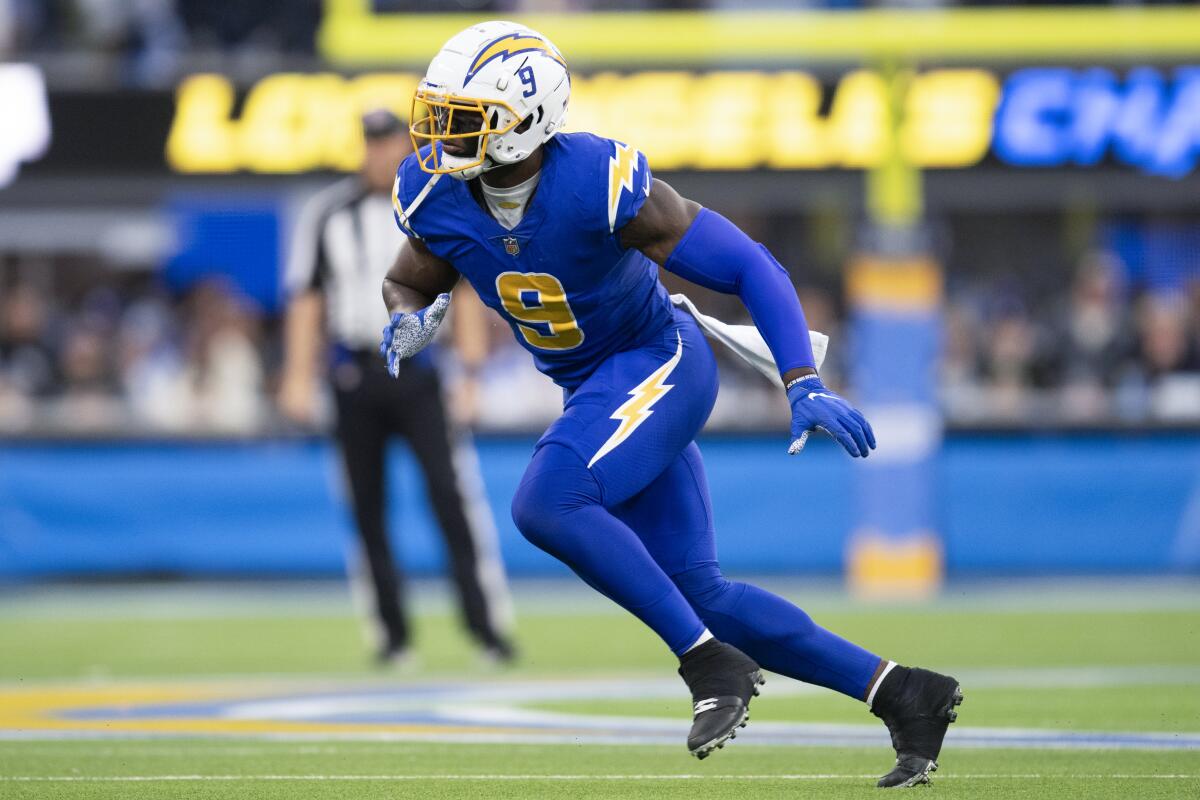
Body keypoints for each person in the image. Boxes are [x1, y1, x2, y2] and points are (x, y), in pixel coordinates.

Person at [381, 22, 961, 788]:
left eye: (463, 118)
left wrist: (802, 379)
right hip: (599, 388)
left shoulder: (597, 180)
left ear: (526, 122)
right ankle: (905, 694)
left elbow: (748, 264)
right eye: (439, 114)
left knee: (549, 499)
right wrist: (405, 316)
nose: (440, 135)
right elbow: (411, 277)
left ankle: (707, 667)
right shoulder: (437, 195)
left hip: (660, 361)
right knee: (703, 593)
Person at [281, 108, 515, 666]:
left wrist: (472, 374)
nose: (379, 154)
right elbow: (307, 299)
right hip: (354, 371)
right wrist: (295, 375)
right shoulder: (328, 214)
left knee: (451, 499)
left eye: (388, 143)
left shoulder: (431, 206)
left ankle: (486, 628)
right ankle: (392, 635)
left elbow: (462, 291)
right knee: (366, 509)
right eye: (371, 143)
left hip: (420, 372)